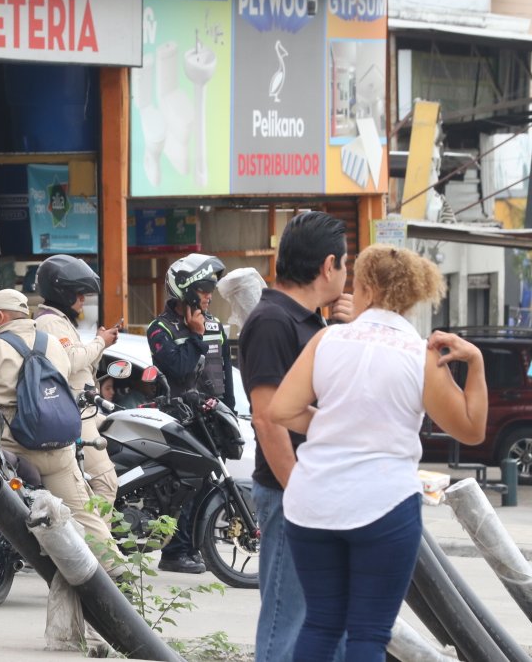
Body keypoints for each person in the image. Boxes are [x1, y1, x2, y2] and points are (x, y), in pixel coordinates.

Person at [269, 244, 487, 661]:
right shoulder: (421, 356)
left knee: (320, 622)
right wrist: (474, 362)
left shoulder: (327, 339)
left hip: (313, 501)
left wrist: (338, 426)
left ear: (365, 287)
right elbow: (471, 429)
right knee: (369, 633)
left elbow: (282, 409)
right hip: (384, 504)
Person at [0, 289, 119, 597]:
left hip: (8, 451)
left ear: (0, 317)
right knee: (84, 512)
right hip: (56, 449)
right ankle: (117, 573)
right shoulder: (53, 344)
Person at [238, 211, 354, 662]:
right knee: (287, 621)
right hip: (293, 495)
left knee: (327, 621)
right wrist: (299, 490)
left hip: (319, 491)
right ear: (328, 266)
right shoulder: (272, 321)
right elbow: (268, 418)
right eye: (345, 265)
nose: (346, 275)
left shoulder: (312, 321)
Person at [145, 253, 234, 574]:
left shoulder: (216, 327)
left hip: (212, 419)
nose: (210, 295)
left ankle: (195, 549)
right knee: (184, 487)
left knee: (210, 485)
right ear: (186, 291)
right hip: (180, 419)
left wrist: (231, 413)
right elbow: (178, 369)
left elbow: (225, 374)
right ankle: (175, 552)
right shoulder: (160, 329)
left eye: (211, 288)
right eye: (204, 288)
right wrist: (194, 336)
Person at [32, 255, 120, 504]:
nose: (83, 300)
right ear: (63, 292)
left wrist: (99, 344)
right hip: (77, 414)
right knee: (105, 483)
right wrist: (100, 341)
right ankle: (97, 541)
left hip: (85, 410)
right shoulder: (49, 322)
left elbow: (78, 366)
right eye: (79, 294)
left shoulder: (58, 321)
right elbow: (71, 359)